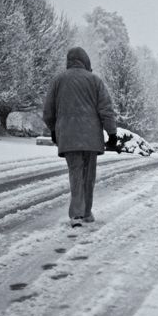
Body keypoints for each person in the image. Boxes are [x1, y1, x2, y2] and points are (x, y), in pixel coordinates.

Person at [43, 47, 118, 228]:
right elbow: (106, 109)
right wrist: (112, 133)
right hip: (91, 138)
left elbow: (48, 111)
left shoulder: (58, 81)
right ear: (86, 61)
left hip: (68, 137)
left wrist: (53, 129)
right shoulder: (95, 80)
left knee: (75, 173)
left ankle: (77, 214)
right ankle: (85, 213)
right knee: (88, 176)